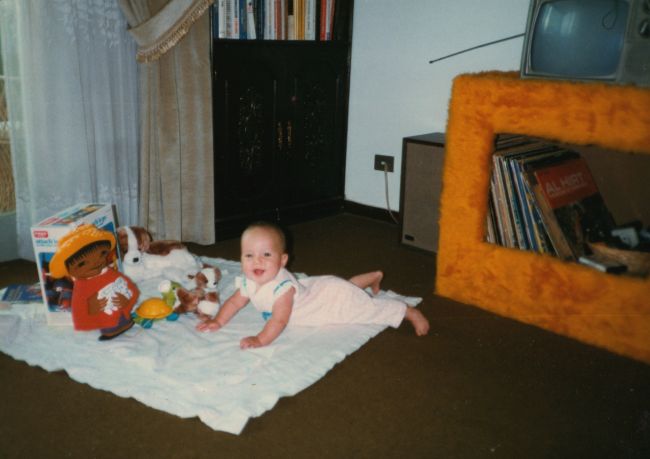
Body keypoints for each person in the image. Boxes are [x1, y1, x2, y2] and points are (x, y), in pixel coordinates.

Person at [196, 221, 429, 348]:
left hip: (325, 302)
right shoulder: (249, 280)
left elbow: (279, 320)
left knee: (364, 309)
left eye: (266, 255)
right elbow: (236, 301)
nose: (256, 261)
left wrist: (260, 339)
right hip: (323, 289)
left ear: (283, 260)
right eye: (249, 256)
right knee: (351, 291)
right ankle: (372, 277)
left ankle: (406, 311)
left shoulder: (282, 289)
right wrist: (218, 320)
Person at [49, 224, 139, 340]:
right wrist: (91, 308)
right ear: (70, 271)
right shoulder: (81, 286)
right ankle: (110, 331)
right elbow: (78, 310)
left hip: (123, 314)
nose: (95, 263)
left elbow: (130, 287)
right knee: (107, 320)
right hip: (106, 320)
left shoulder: (110, 273)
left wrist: (127, 300)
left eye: (102, 254)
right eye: (82, 264)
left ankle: (125, 324)